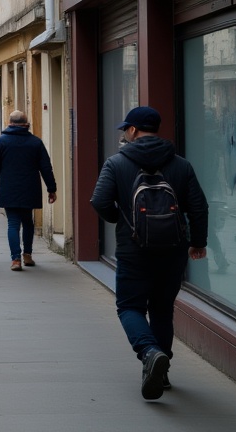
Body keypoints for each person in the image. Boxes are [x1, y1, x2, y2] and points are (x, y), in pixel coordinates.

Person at [91, 106, 208, 400]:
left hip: (133, 249)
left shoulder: (116, 163)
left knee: (129, 307)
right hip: (173, 250)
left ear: (132, 131)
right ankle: (163, 371)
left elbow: (99, 201)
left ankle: (149, 352)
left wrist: (121, 220)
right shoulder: (181, 165)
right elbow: (198, 207)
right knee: (161, 308)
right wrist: (198, 242)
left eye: (125, 129)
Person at [0, 110, 57, 271]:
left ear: (10, 123)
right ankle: (27, 255)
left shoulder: (1, 142)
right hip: (30, 187)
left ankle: (15, 259)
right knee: (27, 222)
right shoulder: (35, 142)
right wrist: (51, 189)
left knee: (12, 224)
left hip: (8, 187)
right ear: (26, 124)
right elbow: (46, 167)